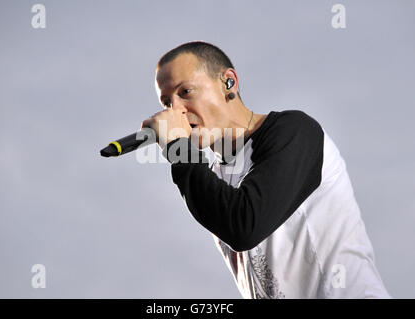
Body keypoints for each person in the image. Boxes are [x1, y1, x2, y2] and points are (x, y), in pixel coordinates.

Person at [141, 41, 391, 298]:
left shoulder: (294, 131)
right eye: (167, 102)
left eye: (185, 91)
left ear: (228, 82)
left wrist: (177, 148)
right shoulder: (211, 178)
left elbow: (243, 227)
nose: (176, 110)